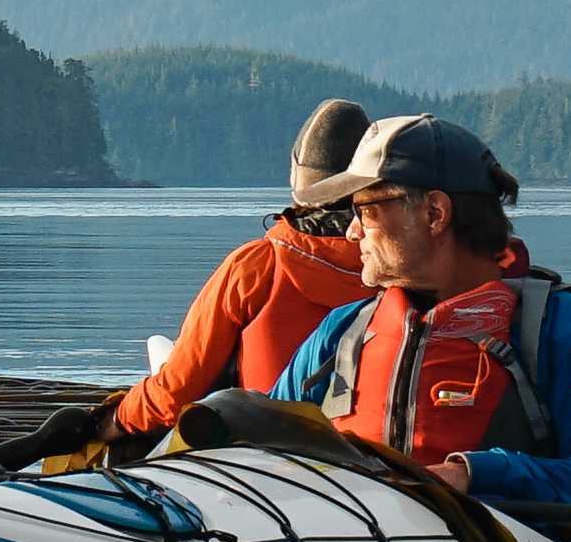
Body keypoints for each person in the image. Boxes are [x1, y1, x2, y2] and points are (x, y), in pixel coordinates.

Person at [271, 114, 571, 507]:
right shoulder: (343, 331)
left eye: (365, 210)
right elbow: (260, 435)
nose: (351, 232)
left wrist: (472, 473)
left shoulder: (564, 330)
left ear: (434, 213)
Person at [100, 95, 379, 438]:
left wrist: (114, 419)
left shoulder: (257, 266)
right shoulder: (406, 271)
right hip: (367, 455)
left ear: (297, 182)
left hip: (262, 451)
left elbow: (176, 392)